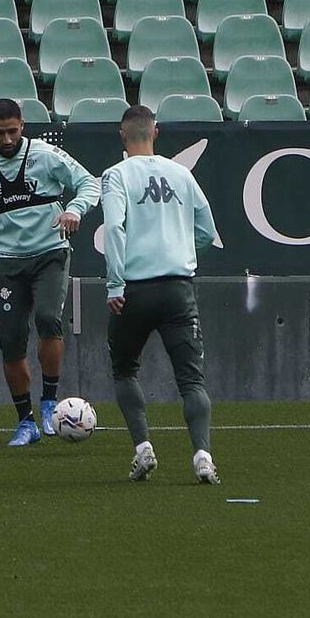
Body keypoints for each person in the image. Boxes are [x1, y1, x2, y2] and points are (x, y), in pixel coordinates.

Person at [0, 99, 100, 446]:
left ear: (23, 126)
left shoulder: (47, 156)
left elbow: (89, 184)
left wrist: (75, 210)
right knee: (10, 342)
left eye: (12, 131)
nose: (6, 139)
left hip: (50, 253)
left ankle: (50, 403)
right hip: (8, 262)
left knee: (49, 319)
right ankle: (26, 422)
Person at [101, 105, 221, 484]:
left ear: (122, 136)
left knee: (124, 370)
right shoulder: (182, 174)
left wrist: (114, 284)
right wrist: (182, 252)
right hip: (177, 288)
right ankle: (202, 455)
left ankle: (143, 448)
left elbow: (114, 229)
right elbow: (206, 229)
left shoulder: (115, 176)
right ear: (157, 132)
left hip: (134, 289)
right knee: (191, 380)